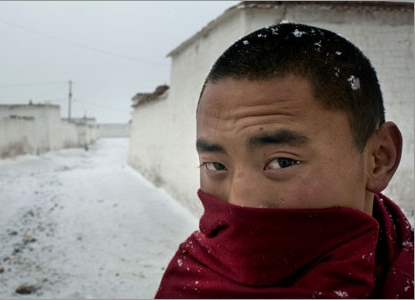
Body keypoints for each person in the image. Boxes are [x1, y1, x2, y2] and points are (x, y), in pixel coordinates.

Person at [155, 23, 414, 299]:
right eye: (215, 165)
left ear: (378, 159)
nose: (240, 202)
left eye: (281, 162)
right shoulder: (189, 285)